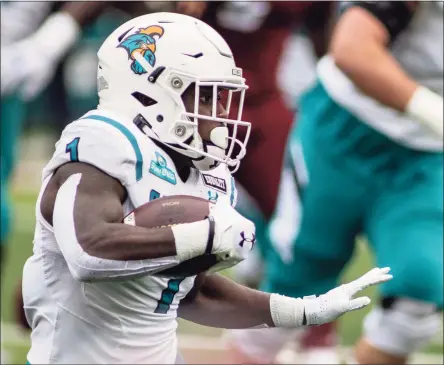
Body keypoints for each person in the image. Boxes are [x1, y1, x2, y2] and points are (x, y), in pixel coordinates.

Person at [21, 12, 392, 364]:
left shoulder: (206, 172)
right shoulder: (104, 145)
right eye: (203, 96)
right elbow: (89, 252)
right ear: (149, 92)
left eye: (221, 98)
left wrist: (302, 310)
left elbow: (192, 291)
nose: (218, 113)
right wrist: (205, 235)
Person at [228, 2, 443, 364]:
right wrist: (435, 111)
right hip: (346, 130)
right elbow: (353, 49)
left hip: (427, 155)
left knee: (417, 297)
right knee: (292, 294)